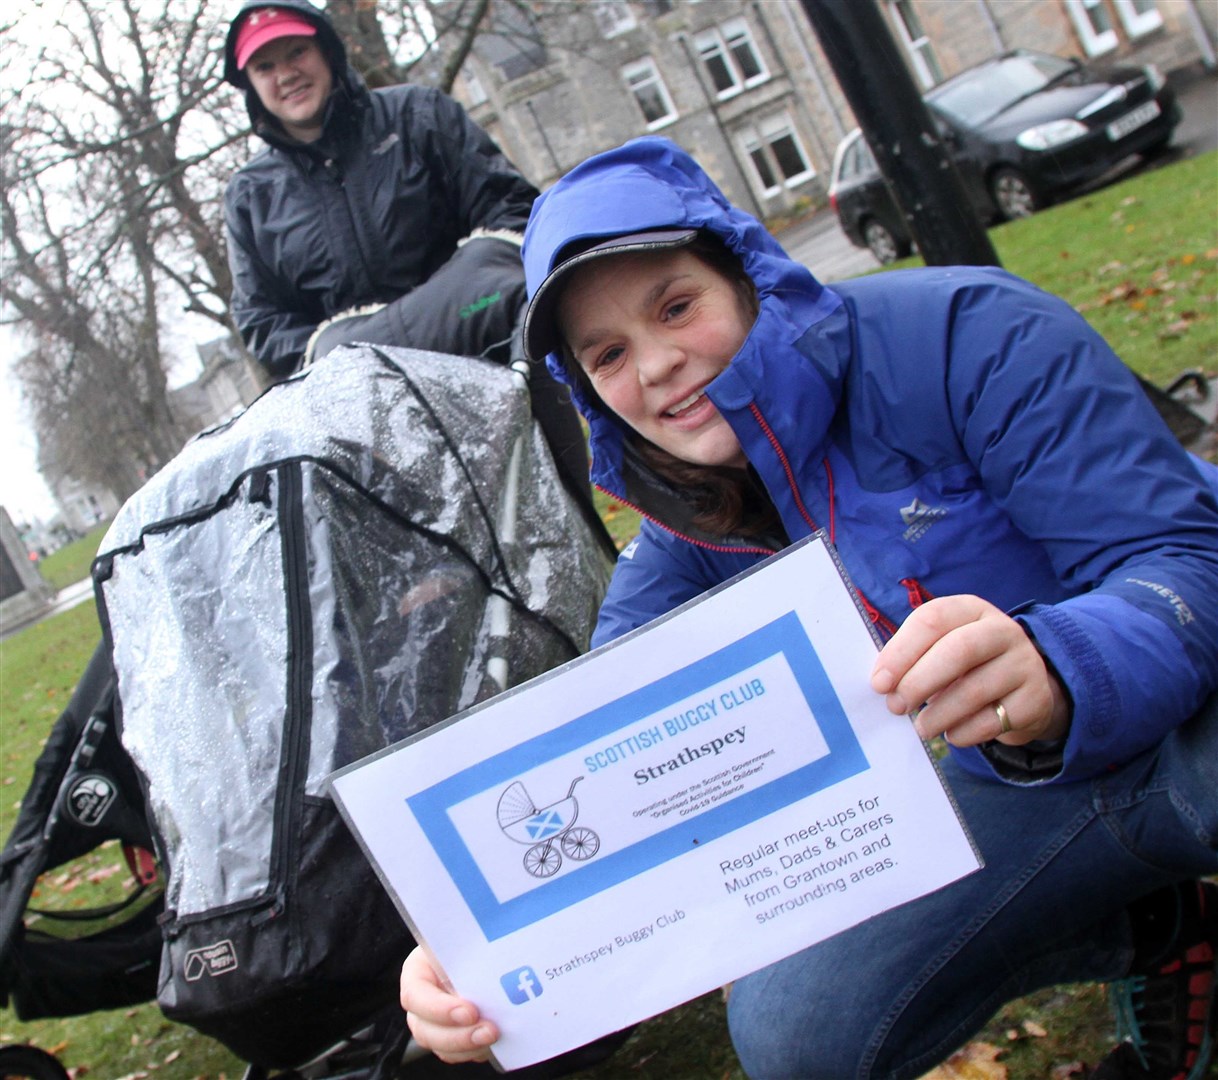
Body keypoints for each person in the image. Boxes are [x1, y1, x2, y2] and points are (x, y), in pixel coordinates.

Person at [397, 137, 1218, 1079]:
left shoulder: (969, 332)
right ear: (586, 393)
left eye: (676, 306)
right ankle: (1159, 933)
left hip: (1190, 713)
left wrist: (1055, 660)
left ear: (746, 275)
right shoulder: (682, 531)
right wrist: (474, 946)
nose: (659, 365)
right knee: (798, 1034)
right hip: (1031, 789)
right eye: (610, 354)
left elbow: (1186, 558)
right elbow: (595, 757)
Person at [221, 0, 606, 540]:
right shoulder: (250, 198)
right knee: (448, 570)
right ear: (250, 85)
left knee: (556, 529)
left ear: (327, 51)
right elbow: (262, 321)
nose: (286, 74)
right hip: (378, 419)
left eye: (297, 51)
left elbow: (511, 208)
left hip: (495, 367)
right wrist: (339, 347)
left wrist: (456, 295)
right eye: (265, 67)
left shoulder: (419, 115)